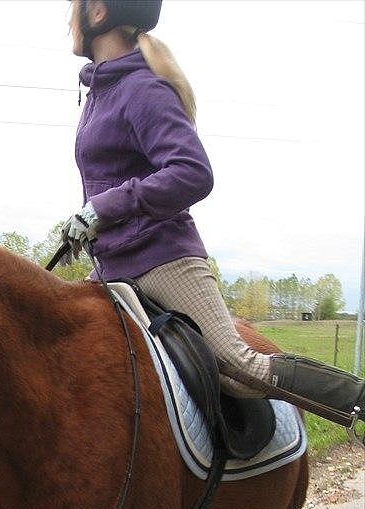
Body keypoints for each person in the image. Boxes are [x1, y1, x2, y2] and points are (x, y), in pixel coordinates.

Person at [62, 0, 365, 432]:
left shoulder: (142, 88)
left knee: (240, 368)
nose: (66, 20)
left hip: (162, 260)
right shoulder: (99, 93)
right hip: (109, 266)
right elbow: (114, 179)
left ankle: (360, 400)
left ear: (98, 14)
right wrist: (87, 225)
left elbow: (192, 173)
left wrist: (105, 208)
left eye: (72, 8)